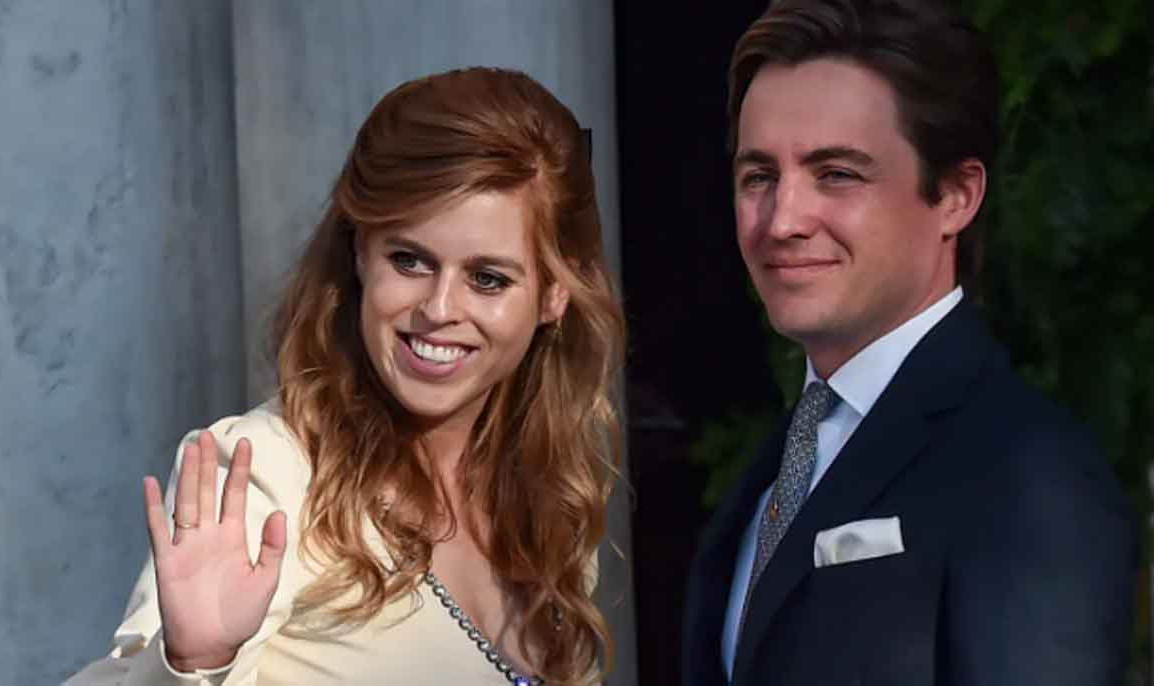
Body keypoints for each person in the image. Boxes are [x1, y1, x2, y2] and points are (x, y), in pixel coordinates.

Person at [67, 66, 623, 686]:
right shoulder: (265, 472)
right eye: (409, 260)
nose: (439, 309)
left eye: (487, 278)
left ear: (555, 294)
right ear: (360, 252)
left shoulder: (549, 498)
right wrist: (194, 664)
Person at [682, 1, 1138, 684]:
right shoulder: (782, 463)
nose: (782, 220)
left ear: (956, 195)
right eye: (759, 177)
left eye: (836, 174)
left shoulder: (1029, 474)